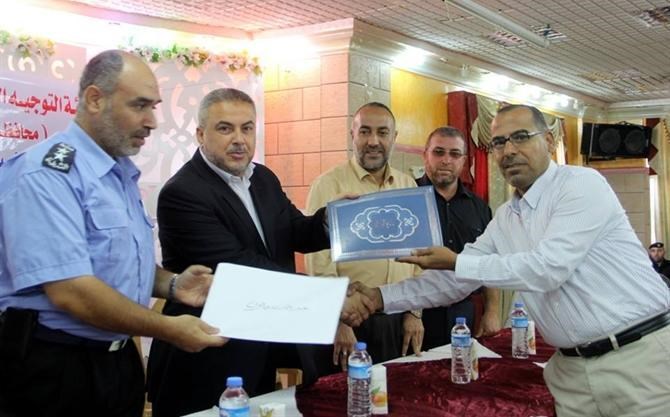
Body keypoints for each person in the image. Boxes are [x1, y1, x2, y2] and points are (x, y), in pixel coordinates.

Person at [346, 104, 670, 417]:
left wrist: (456, 262)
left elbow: (547, 269)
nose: (508, 150)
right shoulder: (506, 216)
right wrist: (378, 298)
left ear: (548, 141)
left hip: (638, 359)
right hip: (571, 373)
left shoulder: (580, 184)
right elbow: (458, 281)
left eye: (521, 137)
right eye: (499, 142)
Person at [0, 50, 226, 417]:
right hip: (54, 367)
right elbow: (71, 291)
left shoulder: (119, 173)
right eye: (140, 106)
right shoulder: (48, 173)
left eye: (154, 107)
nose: (152, 122)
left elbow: (115, 262)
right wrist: (167, 328)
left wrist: (171, 285)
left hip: (116, 364)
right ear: (94, 99)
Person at [146, 88, 370, 417]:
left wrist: (328, 220)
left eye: (247, 128)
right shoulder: (183, 193)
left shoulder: (262, 177)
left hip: (261, 345)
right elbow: (243, 268)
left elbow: (294, 230)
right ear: (201, 134)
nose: (239, 139)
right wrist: (329, 296)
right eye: (225, 128)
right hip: (207, 357)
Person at [305, 102, 422, 369]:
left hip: (398, 320)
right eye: (365, 131)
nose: (373, 141)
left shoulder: (408, 185)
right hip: (349, 324)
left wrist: (415, 312)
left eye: (382, 132)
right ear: (352, 135)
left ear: (394, 137)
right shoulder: (329, 185)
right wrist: (338, 320)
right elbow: (319, 262)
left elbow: (419, 256)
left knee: (397, 392)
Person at [417, 126, 500, 349]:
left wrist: (492, 311)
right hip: (416, 313)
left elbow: (489, 262)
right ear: (425, 155)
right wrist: (410, 314)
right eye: (438, 152)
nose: (446, 160)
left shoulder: (479, 208)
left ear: (464, 161)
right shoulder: (407, 199)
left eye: (454, 154)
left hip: (463, 312)